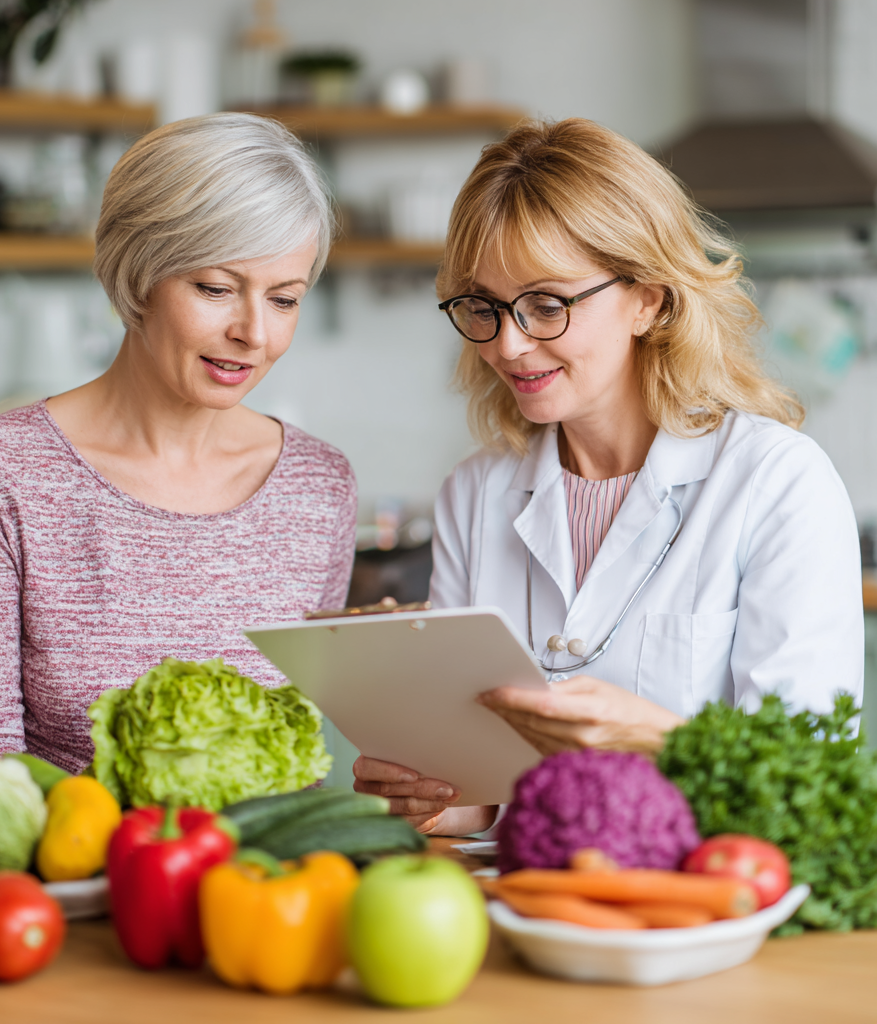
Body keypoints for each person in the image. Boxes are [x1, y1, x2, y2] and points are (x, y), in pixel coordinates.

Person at [353, 118, 864, 836]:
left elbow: (811, 787)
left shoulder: (777, 482)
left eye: (546, 304)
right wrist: (431, 796)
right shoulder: (476, 493)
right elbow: (482, 796)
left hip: (701, 917)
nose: (508, 342)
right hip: (524, 906)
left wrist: (659, 741)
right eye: (484, 307)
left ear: (648, 298)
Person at [0, 113, 356, 772]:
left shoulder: (318, 487)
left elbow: (297, 757)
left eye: (285, 299)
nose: (254, 333)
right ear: (136, 274)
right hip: (69, 872)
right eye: (215, 288)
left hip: (268, 877)